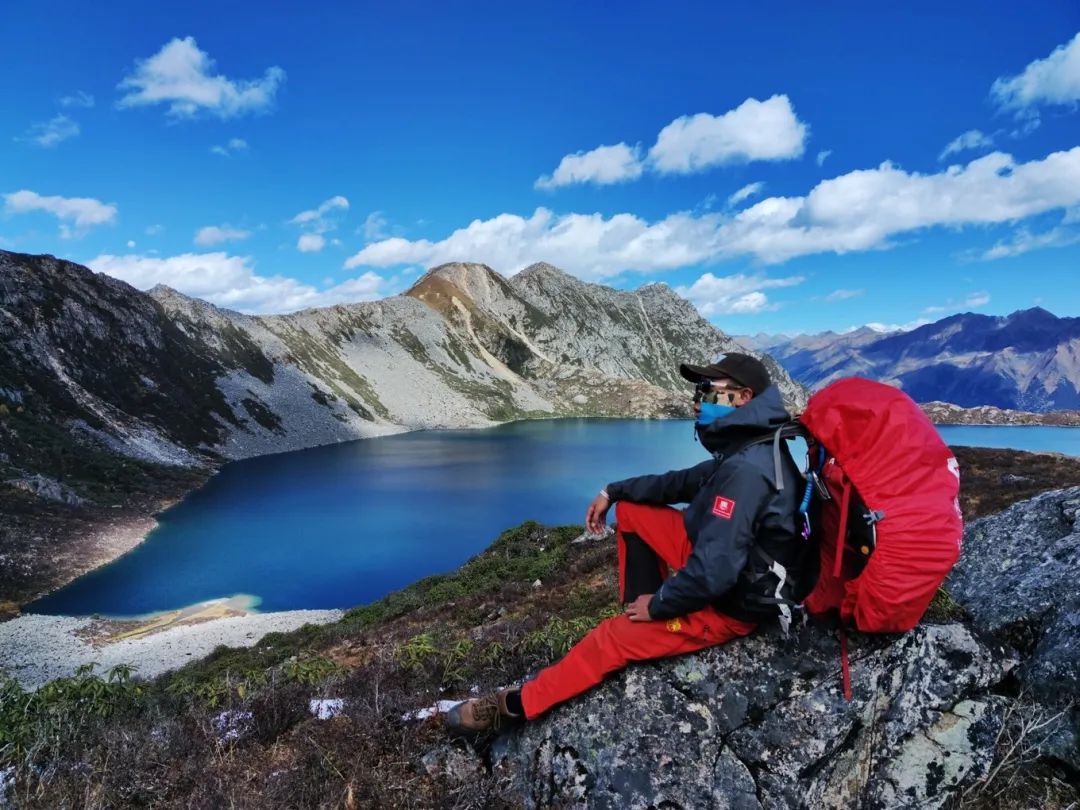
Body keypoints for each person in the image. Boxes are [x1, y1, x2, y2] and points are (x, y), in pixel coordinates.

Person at [447, 353, 809, 733]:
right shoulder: (749, 446)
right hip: (730, 561)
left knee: (610, 639)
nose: (697, 400)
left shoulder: (747, 471)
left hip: (731, 603)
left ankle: (512, 708)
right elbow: (679, 482)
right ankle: (642, 617)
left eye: (708, 391)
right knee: (634, 512)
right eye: (698, 390)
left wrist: (660, 605)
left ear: (743, 398)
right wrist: (614, 491)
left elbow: (714, 575)